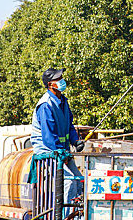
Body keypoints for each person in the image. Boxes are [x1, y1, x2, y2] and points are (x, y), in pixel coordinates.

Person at [30, 68, 85, 215]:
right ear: (50, 84)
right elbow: (49, 137)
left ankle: (75, 216)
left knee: (80, 181)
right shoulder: (45, 105)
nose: (62, 80)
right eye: (58, 78)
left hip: (62, 152)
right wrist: (61, 155)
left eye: (61, 77)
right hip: (48, 152)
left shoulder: (63, 102)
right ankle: (64, 216)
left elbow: (69, 126)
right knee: (68, 182)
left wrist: (75, 141)